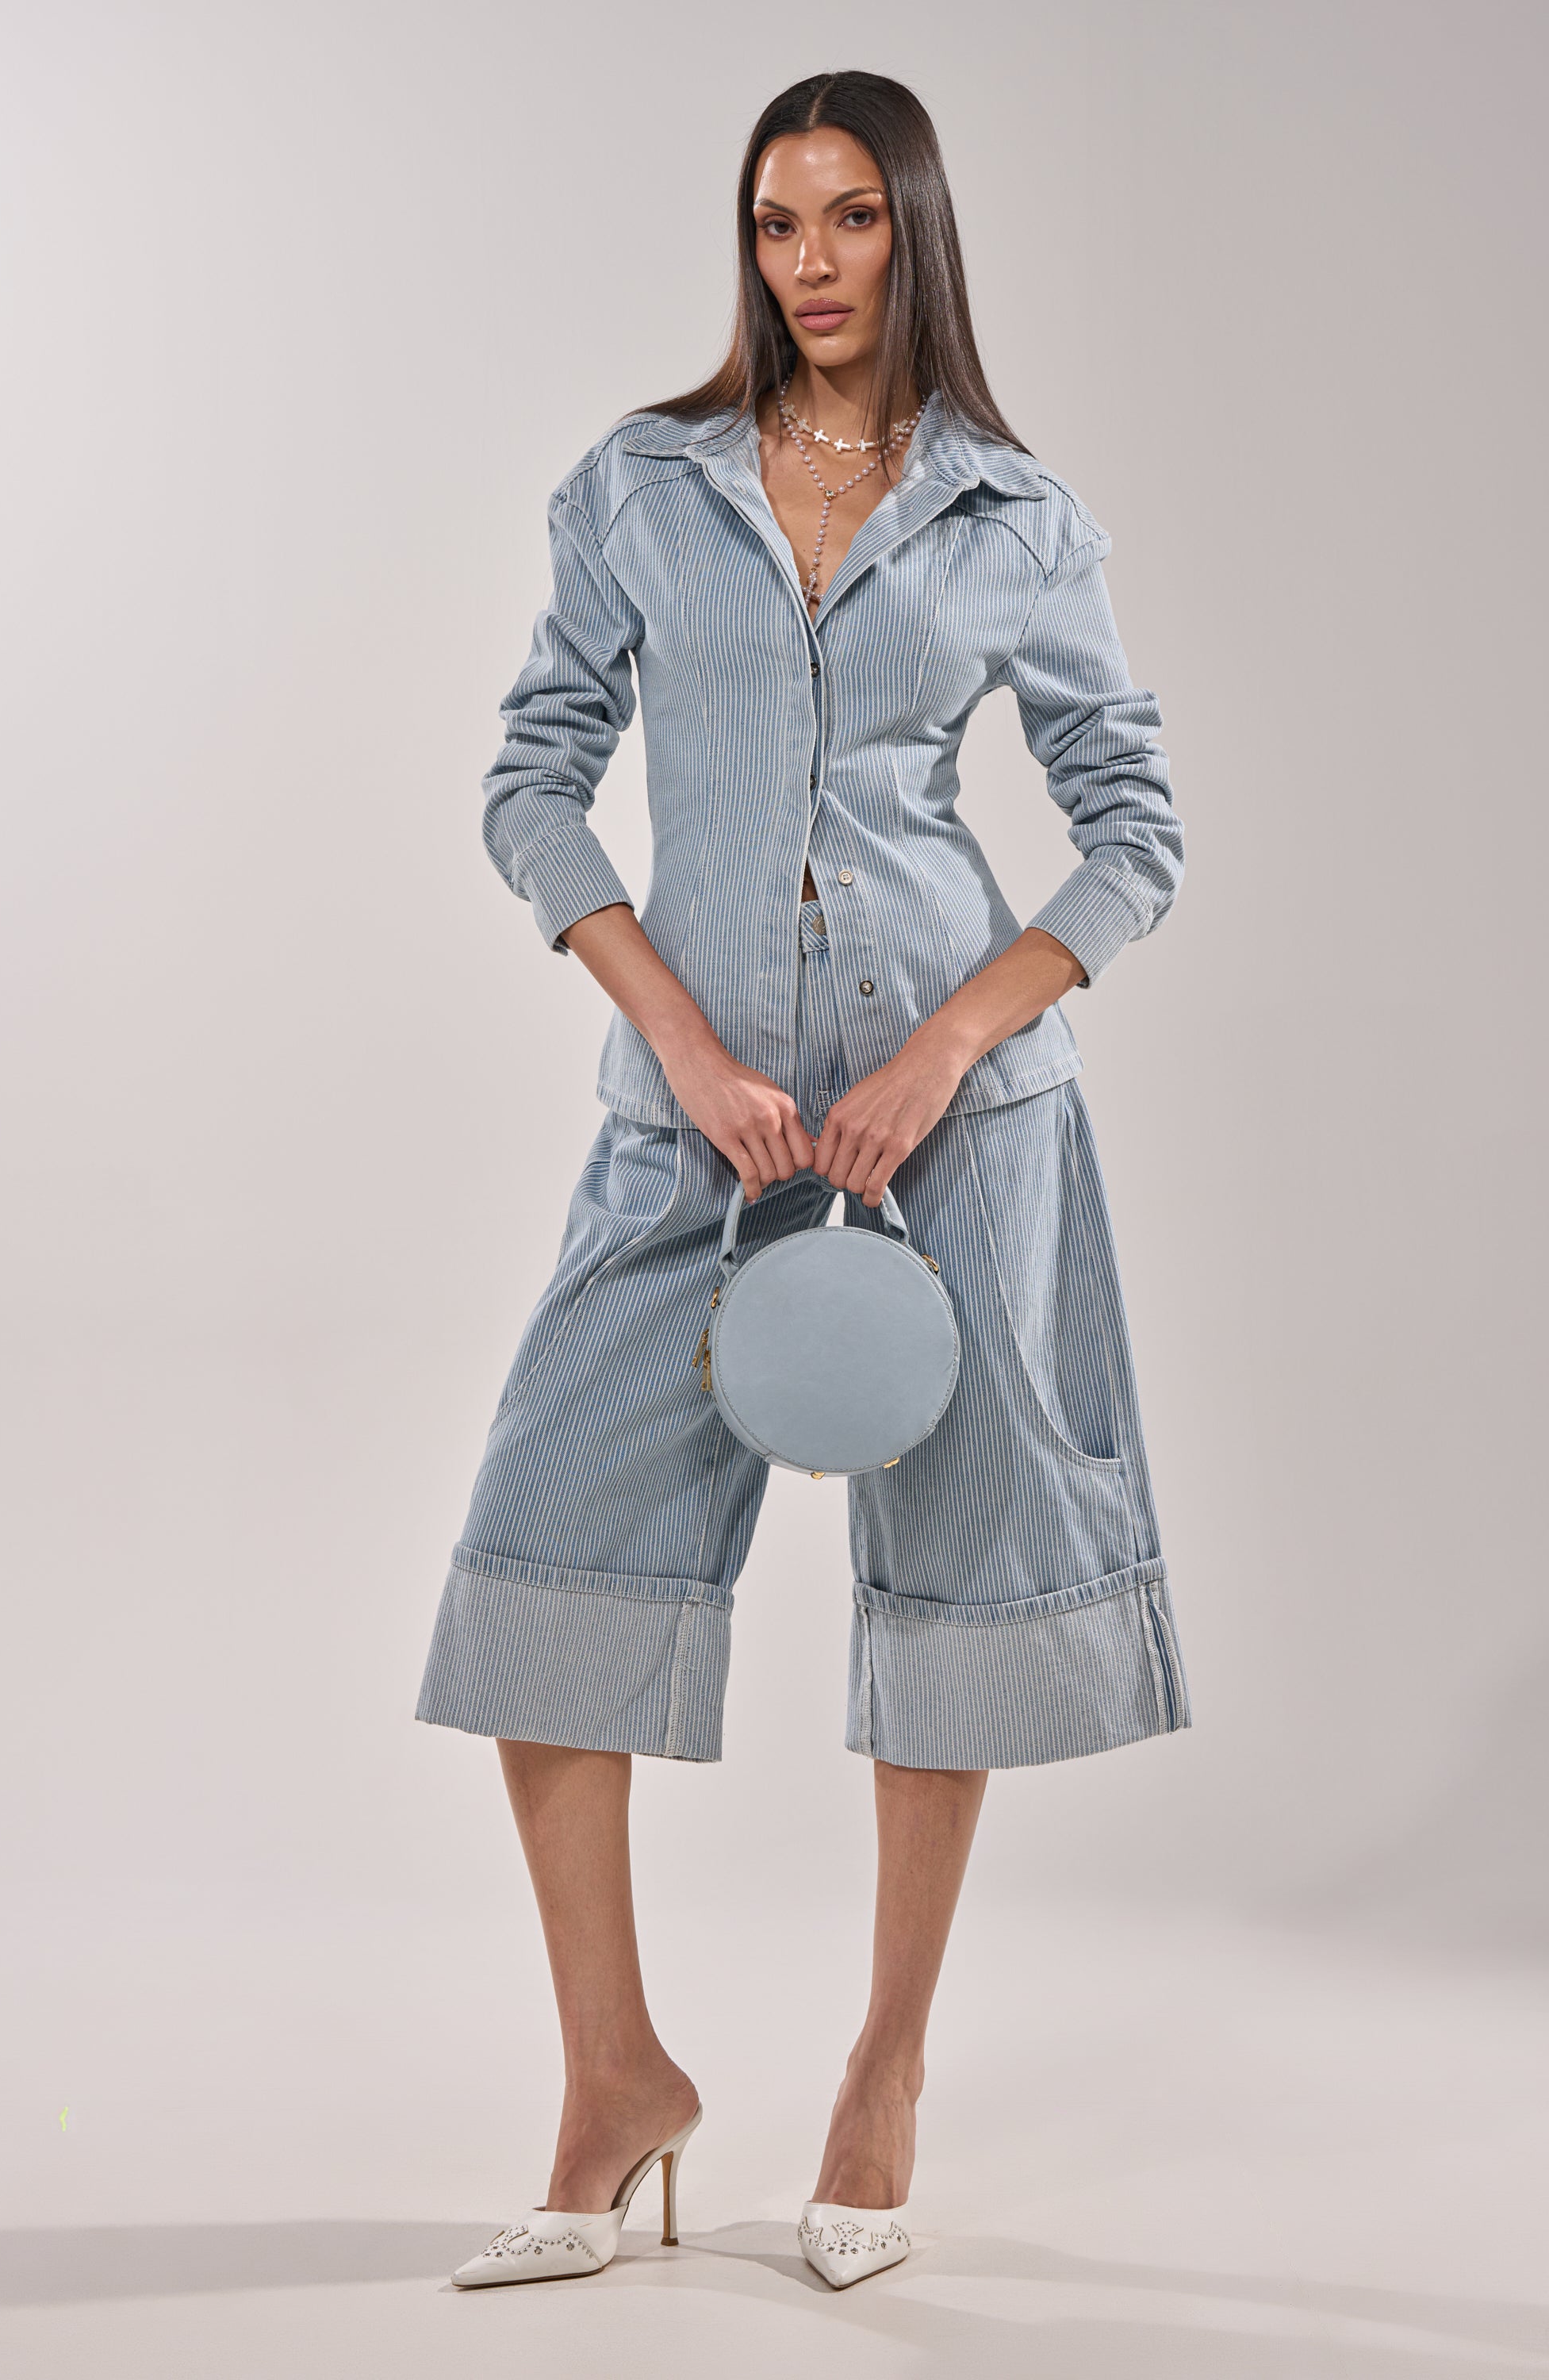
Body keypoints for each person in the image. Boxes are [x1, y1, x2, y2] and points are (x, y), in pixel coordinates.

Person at [417, 67, 1191, 2293]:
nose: (814, 262)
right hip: (696, 1127)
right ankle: (614, 2079)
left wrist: (953, 1048)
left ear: (912, 234)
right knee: (539, 1566)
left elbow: (1134, 831)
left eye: (852, 219)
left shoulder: (1015, 520)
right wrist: (678, 1036)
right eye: (779, 224)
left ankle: (884, 2077)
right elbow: (534, 779)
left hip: (963, 1139)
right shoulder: (639, 492)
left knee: (944, 1613)